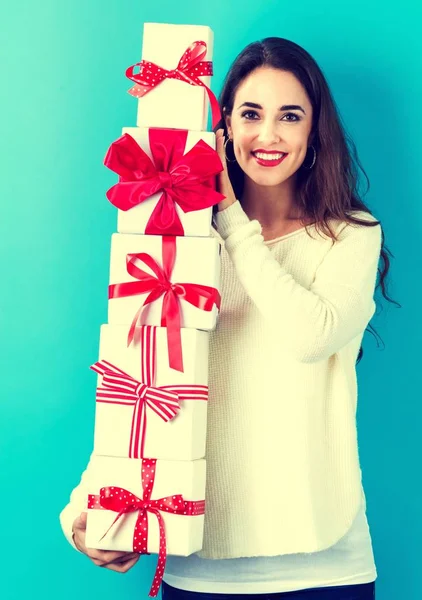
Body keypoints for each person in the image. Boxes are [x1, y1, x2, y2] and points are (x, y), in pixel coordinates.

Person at [61, 37, 397, 599]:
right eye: (250, 114)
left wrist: (230, 216)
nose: (268, 135)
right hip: (199, 564)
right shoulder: (175, 243)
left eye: (290, 116)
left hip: (326, 564)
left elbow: (310, 335)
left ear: (315, 131)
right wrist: (84, 513)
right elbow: (141, 382)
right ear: (224, 128)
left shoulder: (351, 235)